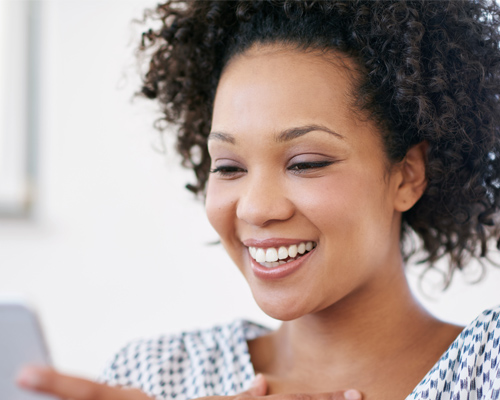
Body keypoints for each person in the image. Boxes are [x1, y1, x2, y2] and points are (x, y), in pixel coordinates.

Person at [16, 1, 500, 399]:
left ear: (406, 175)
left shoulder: (486, 368)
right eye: (228, 168)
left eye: (305, 163)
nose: (253, 207)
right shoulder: (153, 375)